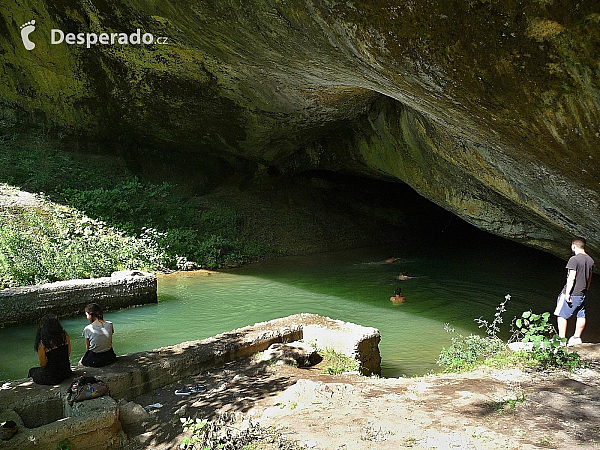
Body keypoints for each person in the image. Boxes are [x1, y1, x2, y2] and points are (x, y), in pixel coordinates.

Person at [554, 237, 594, 346]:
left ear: (573, 246)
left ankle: (561, 340)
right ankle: (576, 338)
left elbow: (571, 277)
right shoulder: (590, 260)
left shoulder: (574, 259)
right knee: (581, 315)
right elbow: (589, 278)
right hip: (582, 293)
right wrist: (585, 290)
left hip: (572, 293)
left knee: (561, 315)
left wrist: (567, 293)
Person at [28, 314, 72, 385]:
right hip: (66, 372)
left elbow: (43, 364)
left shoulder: (43, 343)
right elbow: (68, 353)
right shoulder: (64, 336)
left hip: (53, 377)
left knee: (32, 371)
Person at [80, 303, 117, 367]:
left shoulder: (88, 329)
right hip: (110, 356)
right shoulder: (110, 324)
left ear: (90, 315)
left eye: (86, 315)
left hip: (95, 358)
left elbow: (87, 347)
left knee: (80, 363)